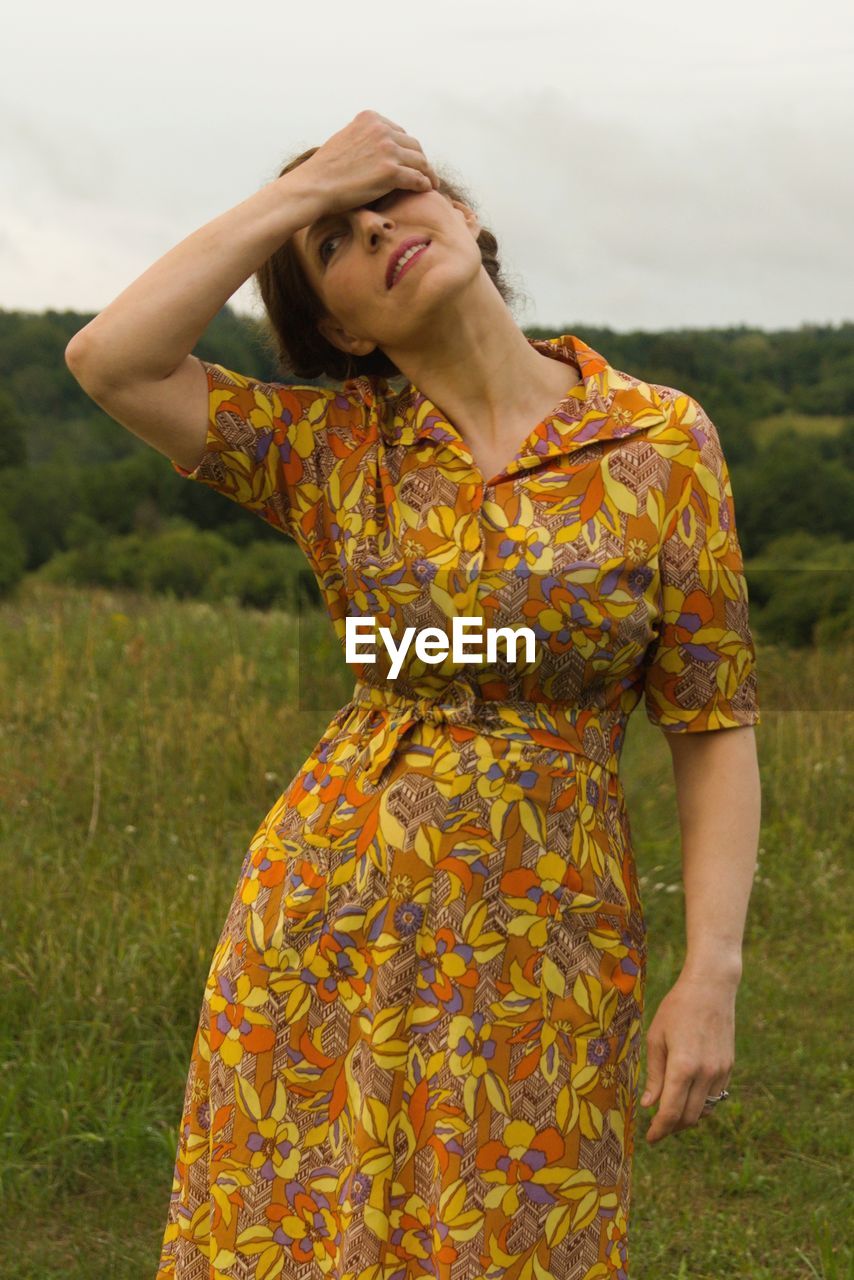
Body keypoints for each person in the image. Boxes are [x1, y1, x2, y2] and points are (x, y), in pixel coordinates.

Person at [65, 109, 762, 1280]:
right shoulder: (332, 446)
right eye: (335, 240)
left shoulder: (658, 441)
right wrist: (297, 194)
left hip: (544, 930)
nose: (377, 224)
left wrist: (712, 971)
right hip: (322, 918)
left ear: (466, 217)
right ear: (337, 325)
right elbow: (109, 359)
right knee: (293, 1242)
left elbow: (710, 718)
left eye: (396, 196)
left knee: (519, 1239)